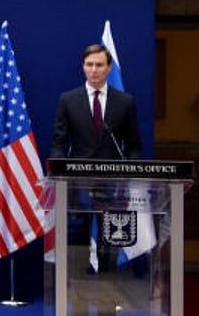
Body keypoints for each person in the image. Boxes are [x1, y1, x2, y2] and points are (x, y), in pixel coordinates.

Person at [49, 44, 142, 316]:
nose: (94, 70)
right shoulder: (68, 100)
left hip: (113, 189)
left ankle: (106, 310)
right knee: (78, 255)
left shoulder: (125, 102)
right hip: (77, 189)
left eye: (99, 65)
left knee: (108, 253)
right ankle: (77, 310)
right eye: (89, 64)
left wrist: (131, 172)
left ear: (109, 68)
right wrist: (59, 168)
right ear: (83, 66)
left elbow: (134, 146)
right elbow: (58, 142)